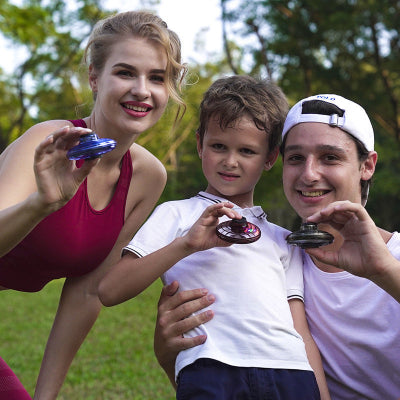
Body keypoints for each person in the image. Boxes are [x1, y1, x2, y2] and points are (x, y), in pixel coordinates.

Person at [154, 93, 400, 400]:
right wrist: (169, 356)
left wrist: (384, 270)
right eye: (296, 158)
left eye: (330, 157)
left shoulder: (396, 257)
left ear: (367, 165)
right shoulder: (278, 259)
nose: (309, 174)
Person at [99, 75, 330, 399]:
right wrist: (186, 244)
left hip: (290, 374)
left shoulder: (282, 239)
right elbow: (109, 290)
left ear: (269, 158)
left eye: (247, 151)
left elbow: (300, 331)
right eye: (218, 146)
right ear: (200, 144)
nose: (230, 161)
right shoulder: (175, 215)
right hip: (210, 369)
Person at [0, 10, 186, 400]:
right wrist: (40, 204)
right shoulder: (48, 141)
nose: (142, 90)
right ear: (94, 78)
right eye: (124, 72)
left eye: (157, 77)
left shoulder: (149, 177)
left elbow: (86, 293)